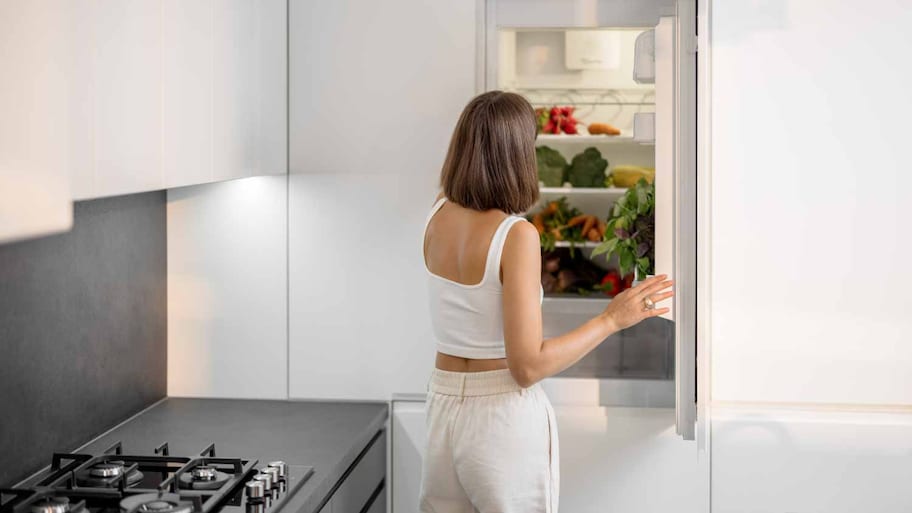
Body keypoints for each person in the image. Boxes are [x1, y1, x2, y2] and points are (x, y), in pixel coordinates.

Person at [419, 91, 674, 513]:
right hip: (498, 419)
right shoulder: (515, 235)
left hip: (442, 409)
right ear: (517, 155)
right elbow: (527, 367)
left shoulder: (436, 215)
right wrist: (612, 319)